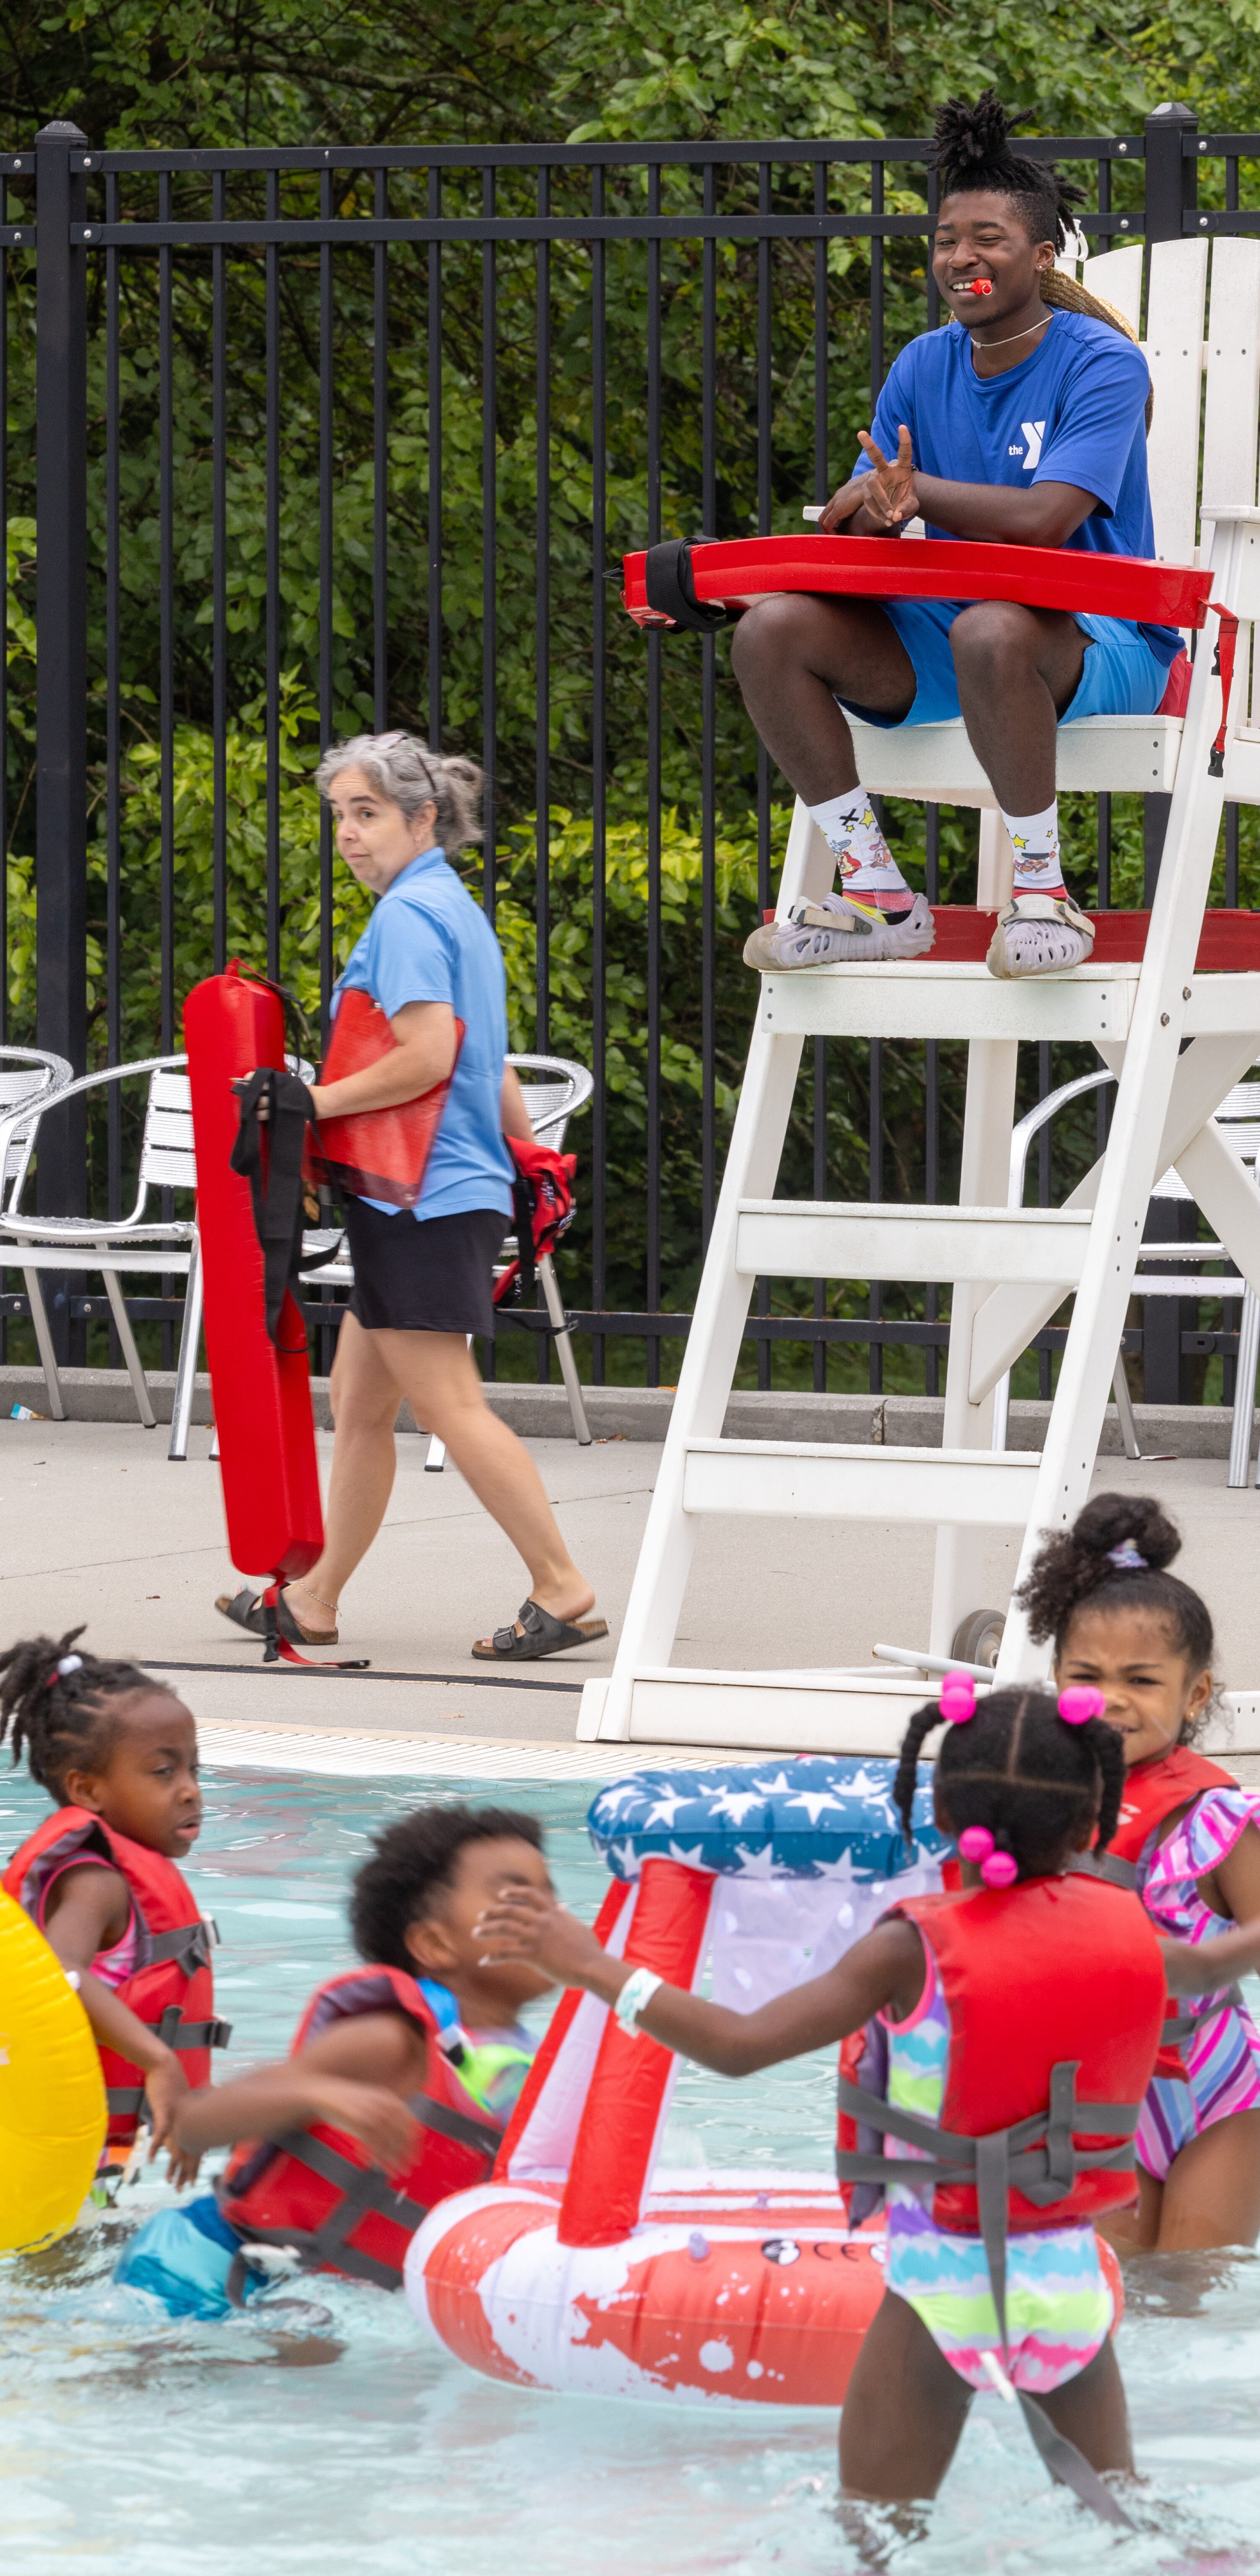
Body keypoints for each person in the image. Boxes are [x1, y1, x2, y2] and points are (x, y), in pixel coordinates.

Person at [473, 1686, 1260, 2518]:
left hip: (945, 2292)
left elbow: (737, 2047)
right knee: (1120, 2517)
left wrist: (589, 1966)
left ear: (938, 1818)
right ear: (1095, 1820)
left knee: (876, 2535)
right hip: (1065, 2289)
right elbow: (1215, 1966)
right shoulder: (1127, 1935)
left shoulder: (909, 1954)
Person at [737, 91, 1181, 984]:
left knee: (991, 626)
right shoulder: (922, 363)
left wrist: (907, 493)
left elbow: (1049, 520)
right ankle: (877, 897)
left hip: (1101, 637)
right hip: (954, 629)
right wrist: (862, 510)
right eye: (947, 239)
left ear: (1040, 255)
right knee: (771, 632)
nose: (961, 258)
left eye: (989, 238)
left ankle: (1043, 896)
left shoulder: (1102, 362)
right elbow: (873, 512)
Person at [213, 730, 603, 1665]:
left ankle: (564, 1588)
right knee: (358, 1401)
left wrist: (311, 1103)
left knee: (450, 1406)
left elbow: (427, 1056)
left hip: (422, 1194)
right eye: (340, 816)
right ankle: (315, 1598)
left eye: (368, 814)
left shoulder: (407, 918)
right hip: (436, 1188)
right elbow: (486, 1058)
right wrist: (522, 1156)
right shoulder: (453, 908)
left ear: (424, 819)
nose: (349, 835)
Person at [1017, 1491, 1260, 2256]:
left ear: (1196, 1694)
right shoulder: (1037, 1807)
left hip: (1221, 2104)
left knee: (1186, 2291)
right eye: (1087, 1673)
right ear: (1056, 1676)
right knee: (1117, 2303)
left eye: (1142, 1681)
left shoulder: (1212, 1822)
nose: (1112, 1698)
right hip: (1099, 2107)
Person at [115, 1804, 555, 2321]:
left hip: (312, 2299)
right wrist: (316, 2093)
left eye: (550, 1894)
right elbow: (192, 2125)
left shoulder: (520, 2068)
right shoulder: (393, 2042)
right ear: (435, 1943)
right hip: (204, 2275)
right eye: (516, 1898)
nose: (550, 1915)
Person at [1, 1631, 226, 2187]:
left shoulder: (117, 1872)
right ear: (87, 1788)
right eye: (163, 1771)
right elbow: (63, 1972)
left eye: (193, 1769)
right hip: (47, 2157)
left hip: (87, 2156)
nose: (191, 1790)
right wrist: (159, 2060)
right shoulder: (94, 1881)